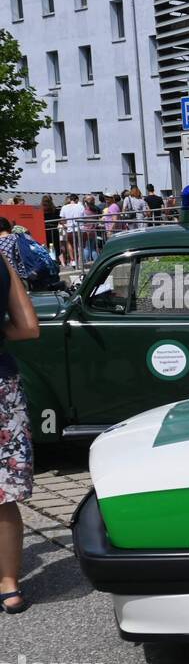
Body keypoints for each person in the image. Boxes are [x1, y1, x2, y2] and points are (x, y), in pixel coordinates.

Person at [0, 246, 40, 613]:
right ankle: (9, 584)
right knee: (3, 495)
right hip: (2, 386)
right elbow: (28, 327)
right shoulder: (0, 260)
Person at [58, 194, 84, 266]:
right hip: (80, 228)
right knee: (79, 244)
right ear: (76, 200)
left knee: (70, 243)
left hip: (70, 228)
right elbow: (84, 217)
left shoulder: (64, 207)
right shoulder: (81, 206)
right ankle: (79, 260)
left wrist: (64, 225)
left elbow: (62, 220)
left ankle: (72, 260)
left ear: (70, 200)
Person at [41, 195, 59, 263]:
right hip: (53, 230)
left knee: (45, 247)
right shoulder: (55, 210)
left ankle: (48, 261)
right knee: (55, 247)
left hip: (44, 231)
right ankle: (54, 261)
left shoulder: (40, 210)